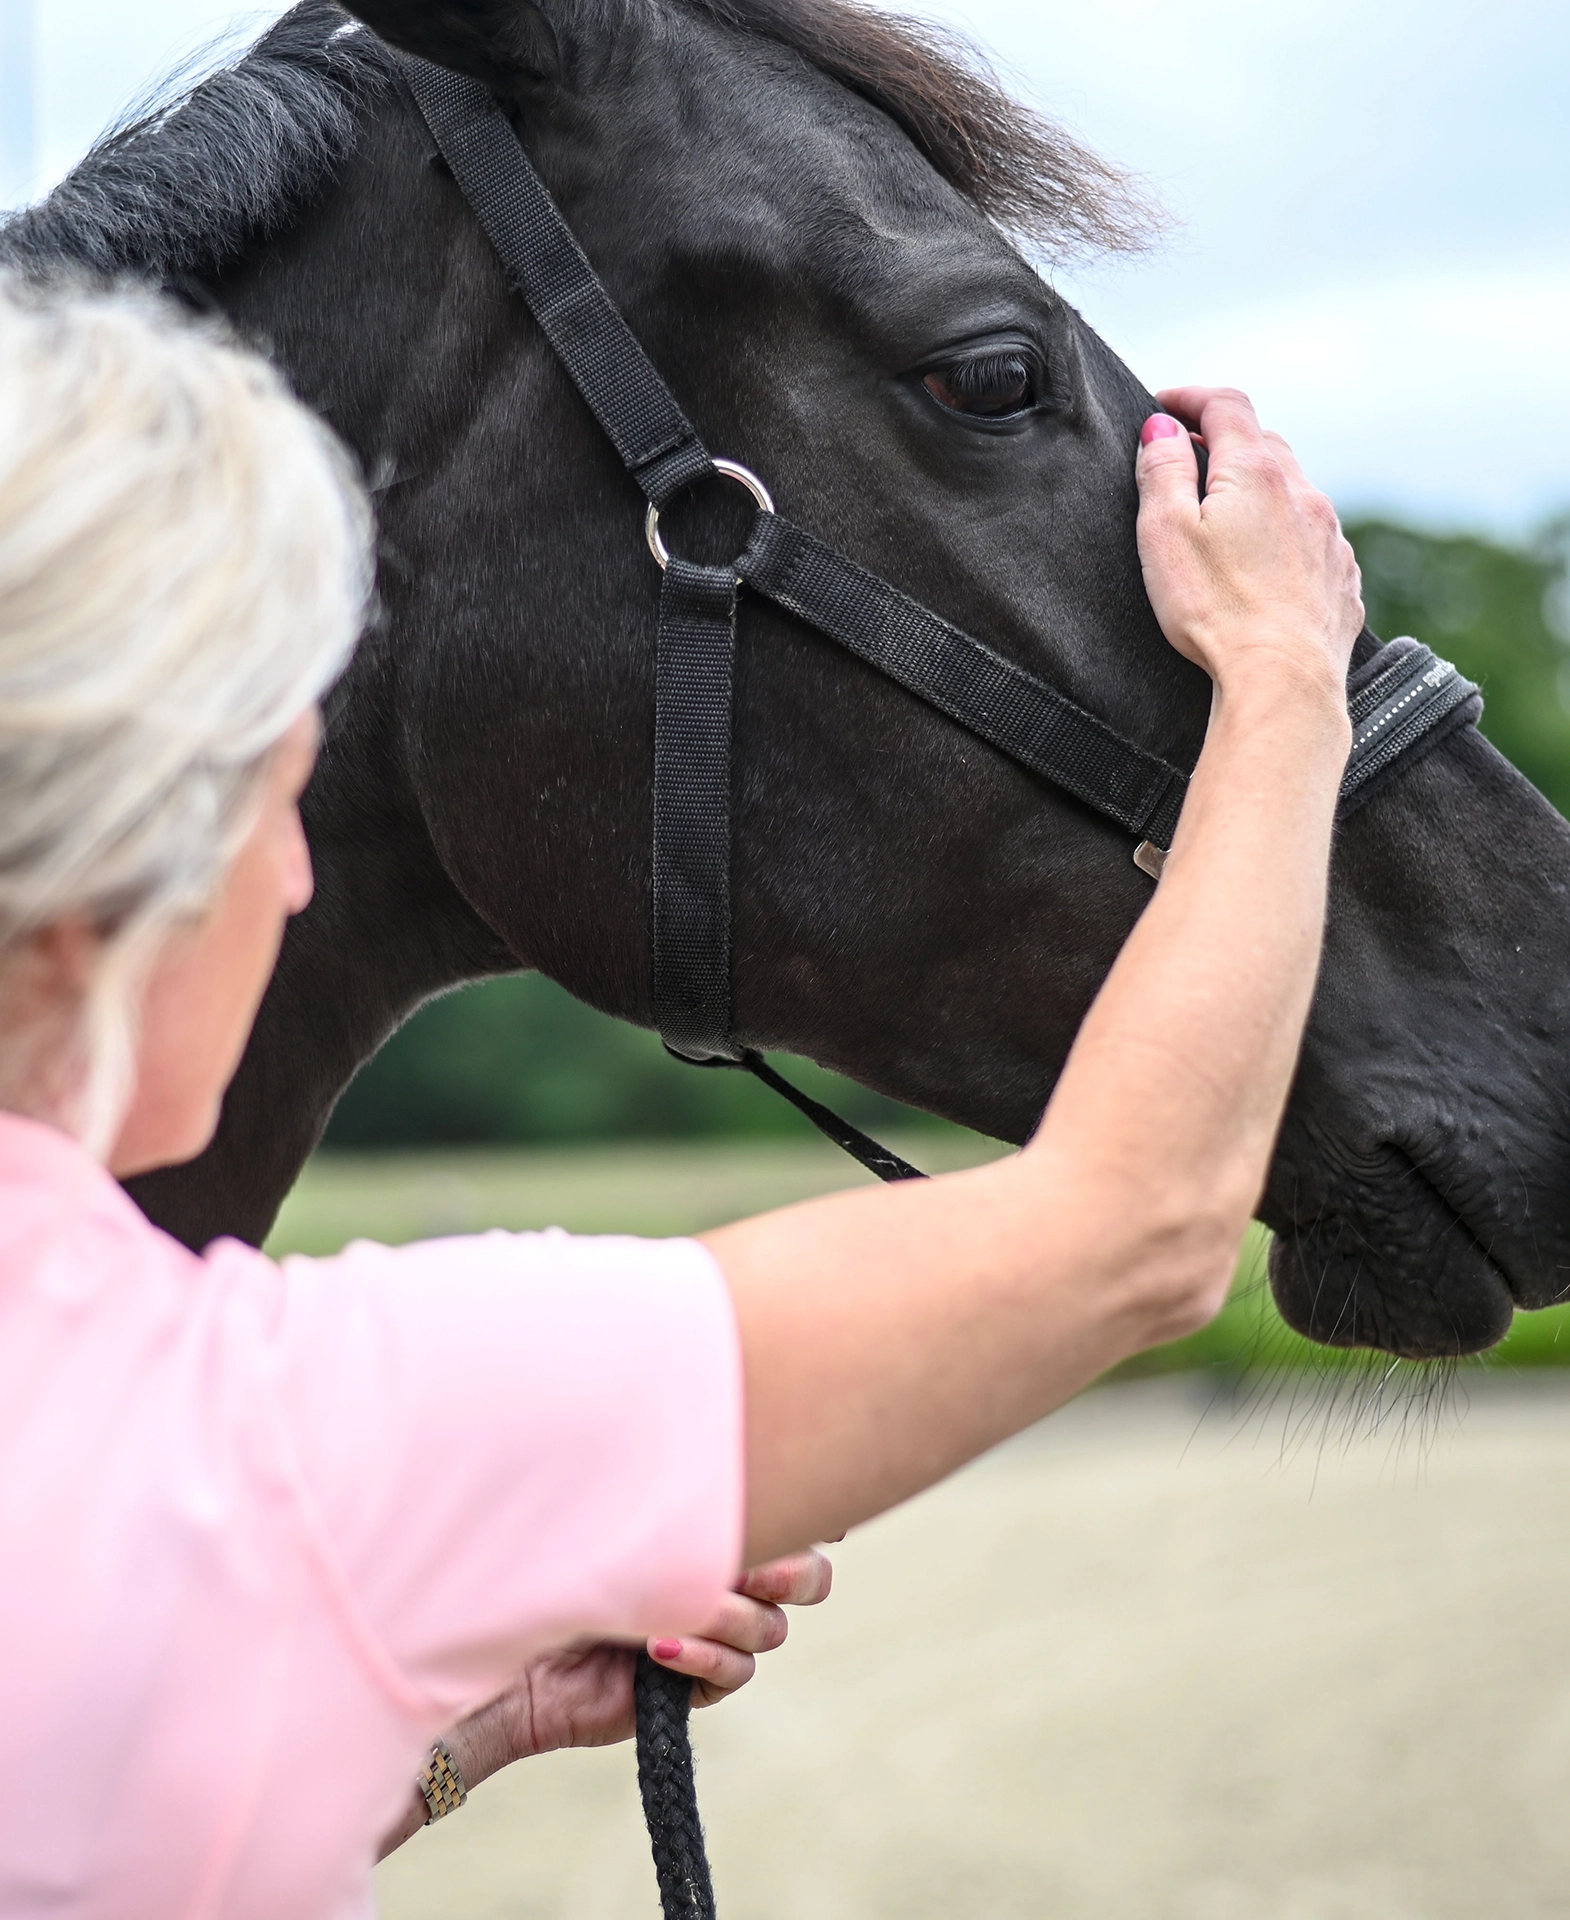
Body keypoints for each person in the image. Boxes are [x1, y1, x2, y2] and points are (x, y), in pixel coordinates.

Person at [0, 271, 1360, 1918]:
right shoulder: (275, 1434)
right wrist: (1284, 678)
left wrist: (432, 1724)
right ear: (89, 897)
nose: (292, 885)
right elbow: (1138, 1227)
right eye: (274, 803)